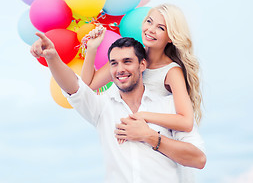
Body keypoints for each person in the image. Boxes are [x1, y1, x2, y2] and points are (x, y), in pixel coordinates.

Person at [30, 35, 206, 183]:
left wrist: (150, 136)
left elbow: (198, 159)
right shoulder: (102, 107)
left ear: (142, 65)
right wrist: (52, 57)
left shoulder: (168, 105)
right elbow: (74, 87)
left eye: (127, 61)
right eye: (114, 63)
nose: (120, 69)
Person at [81, 3, 202, 134]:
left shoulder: (171, 72)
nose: (150, 30)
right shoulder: (130, 56)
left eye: (161, 28)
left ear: (171, 37)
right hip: (124, 135)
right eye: (149, 21)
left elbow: (186, 122)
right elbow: (88, 85)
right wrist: (92, 48)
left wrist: (142, 115)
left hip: (152, 142)